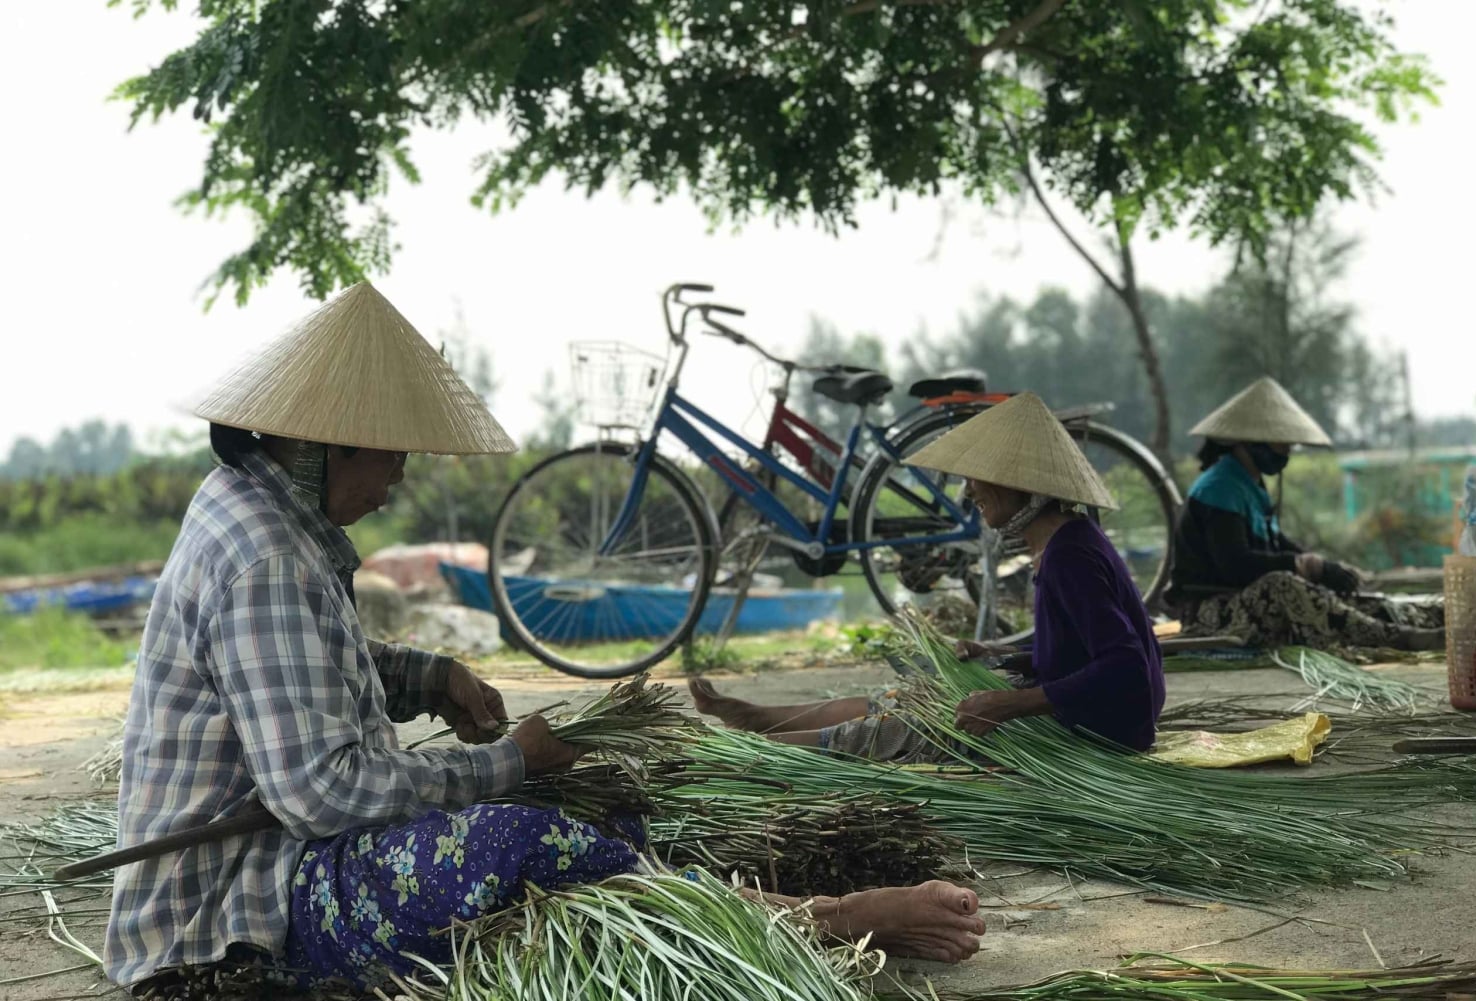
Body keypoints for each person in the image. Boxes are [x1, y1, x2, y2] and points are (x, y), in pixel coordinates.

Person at [105, 284, 985, 996]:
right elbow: (323, 795)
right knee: (508, 842)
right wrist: (513, 761)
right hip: (233, 912)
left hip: (285, 859)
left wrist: (429, 675)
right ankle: (822, 917)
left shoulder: (264, 514)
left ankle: (752, 903)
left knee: (590, 815)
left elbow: (303, 674)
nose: (399, 481)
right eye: (390, 457)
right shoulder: (264, 557)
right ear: (325, 446)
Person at [693, 392, 1166, 758]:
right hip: (1083, 714)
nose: (968, 491)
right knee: (905, 696)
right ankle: (758, 718)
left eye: (977, 478)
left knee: (901, 729)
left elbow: (1125, 670)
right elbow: (1078, 649)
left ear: (1018, 485)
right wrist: (1002, 653)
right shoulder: (1062, 541)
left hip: (1096, 734)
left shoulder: (1070, 557)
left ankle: (743, 752)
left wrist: (1008, 705)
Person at [1166, 377, 1444, 650]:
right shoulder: (1220, 487)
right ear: (1250, 441)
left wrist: (1321, 566)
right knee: (1282, 584)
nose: (1287, 450)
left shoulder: (1248, 483)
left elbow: (1275, 543)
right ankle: (1397, 637)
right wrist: (1305, 565)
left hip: (1244, 600)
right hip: (1210, 612)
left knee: (1340, 595)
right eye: (1280, 442)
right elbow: (1235, 563)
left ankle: (1429, 620)